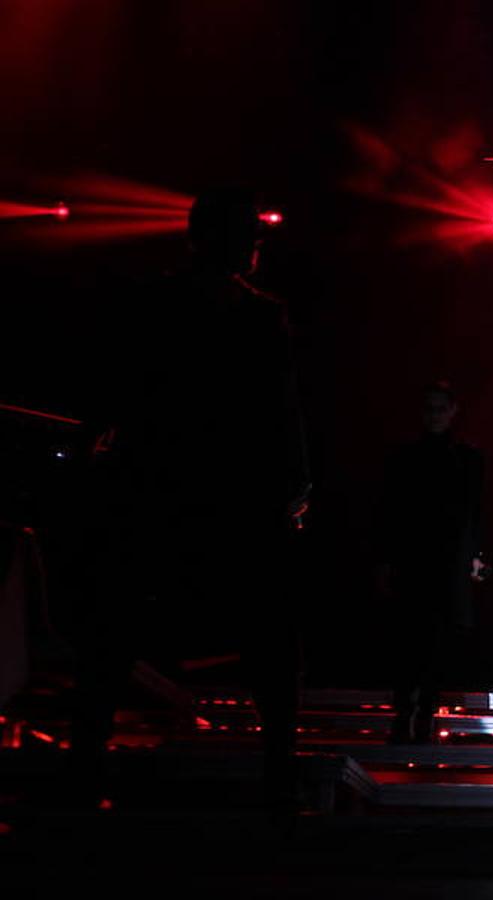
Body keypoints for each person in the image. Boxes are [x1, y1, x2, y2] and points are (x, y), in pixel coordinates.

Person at [71, 187, 310, 810]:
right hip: (234, 500)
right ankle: (280, 773)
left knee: (111, 635)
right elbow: (280, 416)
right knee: (273, 642)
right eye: (252, 236)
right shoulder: (262, 316)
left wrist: (98, 453)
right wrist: (292, 488)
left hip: (152, 491)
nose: (259, 245)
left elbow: (112, 389)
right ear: (234, 242)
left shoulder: (149, 303)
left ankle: (85, 769)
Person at [375, 381, 487, 743]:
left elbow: (478, 512)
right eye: (430, 409)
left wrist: (477, 556)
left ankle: (422, 712)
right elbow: (391, 512)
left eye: (441, 409)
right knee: (411, 638)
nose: (435, 416)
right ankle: (407, 712)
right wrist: (388, 560)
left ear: (453, 411)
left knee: (437, 641)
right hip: (416, 560)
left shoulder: (467, 459)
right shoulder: (407, 458)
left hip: (448, 560)